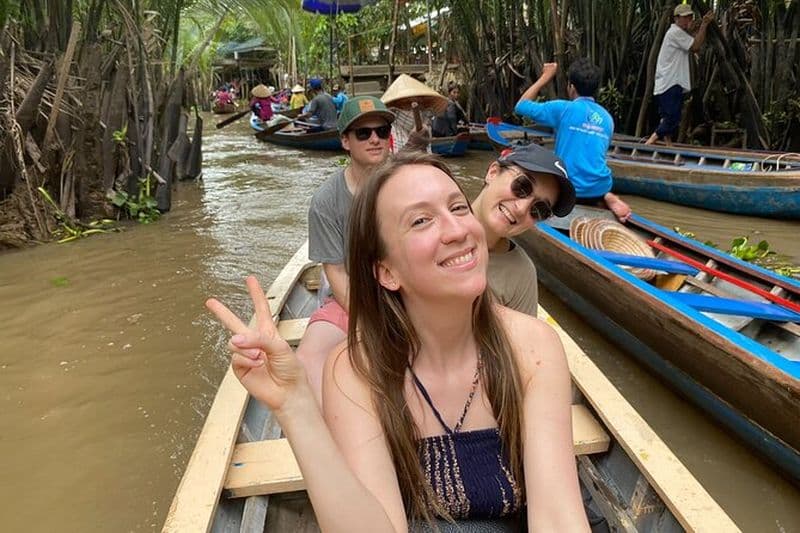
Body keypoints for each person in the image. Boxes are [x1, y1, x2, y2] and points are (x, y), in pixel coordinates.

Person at [206, 150, 590, 531]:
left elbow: (559, 519)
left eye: (458, 208)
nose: (458, 230)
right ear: (387, 272)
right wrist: (295, 407)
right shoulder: (357, 370)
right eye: (421, 220)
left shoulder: (534, 346)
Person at [295, 96, 395, 404]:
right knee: (309, 359)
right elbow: (337, 272)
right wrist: (368, 322)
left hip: (406, 289)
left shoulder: (406, 184)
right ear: (345, 142)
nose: (375, 139)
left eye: (382, 131)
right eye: (363, 133)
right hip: (353, 296)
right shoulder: (326, 201)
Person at [515, 59, 632, 222]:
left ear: (571, 87)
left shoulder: (563, 109)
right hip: (600, 186)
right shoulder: (607, 119)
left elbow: (521, 106)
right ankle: (605, 196)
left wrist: (545, 77)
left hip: (570, 190)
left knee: (534, 176)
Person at [472, 143, 576, 317]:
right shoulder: (433, 223)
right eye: (522, 186)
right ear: (493, 173)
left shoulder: (521, 273)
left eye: (540, 209)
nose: (521, 208)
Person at [646, 6, 715, 145]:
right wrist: (704, 25)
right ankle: (650, 141)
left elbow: (692, 37)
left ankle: (668, 143)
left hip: (667, 81)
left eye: (690, 17)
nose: (688, 20)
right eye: (685, 17)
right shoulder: (675, 33)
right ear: (676, 18)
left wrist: (697, 27)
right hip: (671, 82)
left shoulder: (677, 33)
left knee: (667, 115)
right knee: (673, 117)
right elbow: (695, 46)